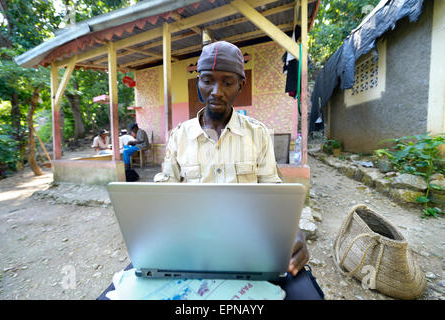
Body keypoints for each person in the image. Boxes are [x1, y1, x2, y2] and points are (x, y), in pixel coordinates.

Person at [98, 41, 323, 300]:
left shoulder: (258, 134)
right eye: (208, 80)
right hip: (191, 246)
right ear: (198, 82)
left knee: (308, 297)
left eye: (228, 82)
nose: (216, 91)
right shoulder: (179, 137)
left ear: (241, 85)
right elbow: (163, 196)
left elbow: (276, 194)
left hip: (250, 245)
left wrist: (291, 231)